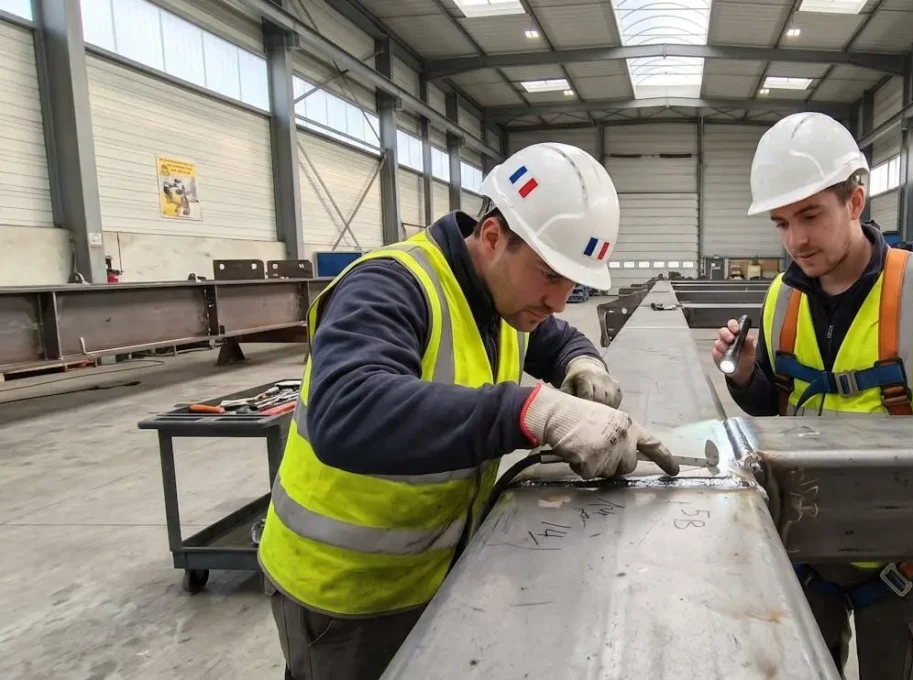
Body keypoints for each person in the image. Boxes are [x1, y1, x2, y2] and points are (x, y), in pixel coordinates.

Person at [260, 142, 679, 680]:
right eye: (551, 275)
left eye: (572, 284)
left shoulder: (503, 299)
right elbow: (348, 411)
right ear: (492, 237)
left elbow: (553, 335)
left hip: (434, 572)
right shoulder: (391, 285)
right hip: (343, 596)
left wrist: (582, 365)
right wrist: (531, 409)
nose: (559, 299)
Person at [711, 113, 913, 680]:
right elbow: (775, 404)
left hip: (899, 561)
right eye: (781, 223)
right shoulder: (781, 296)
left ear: (855, 201)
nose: (796, 239)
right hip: (803, 551)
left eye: (810, 216)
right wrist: (745, 376)